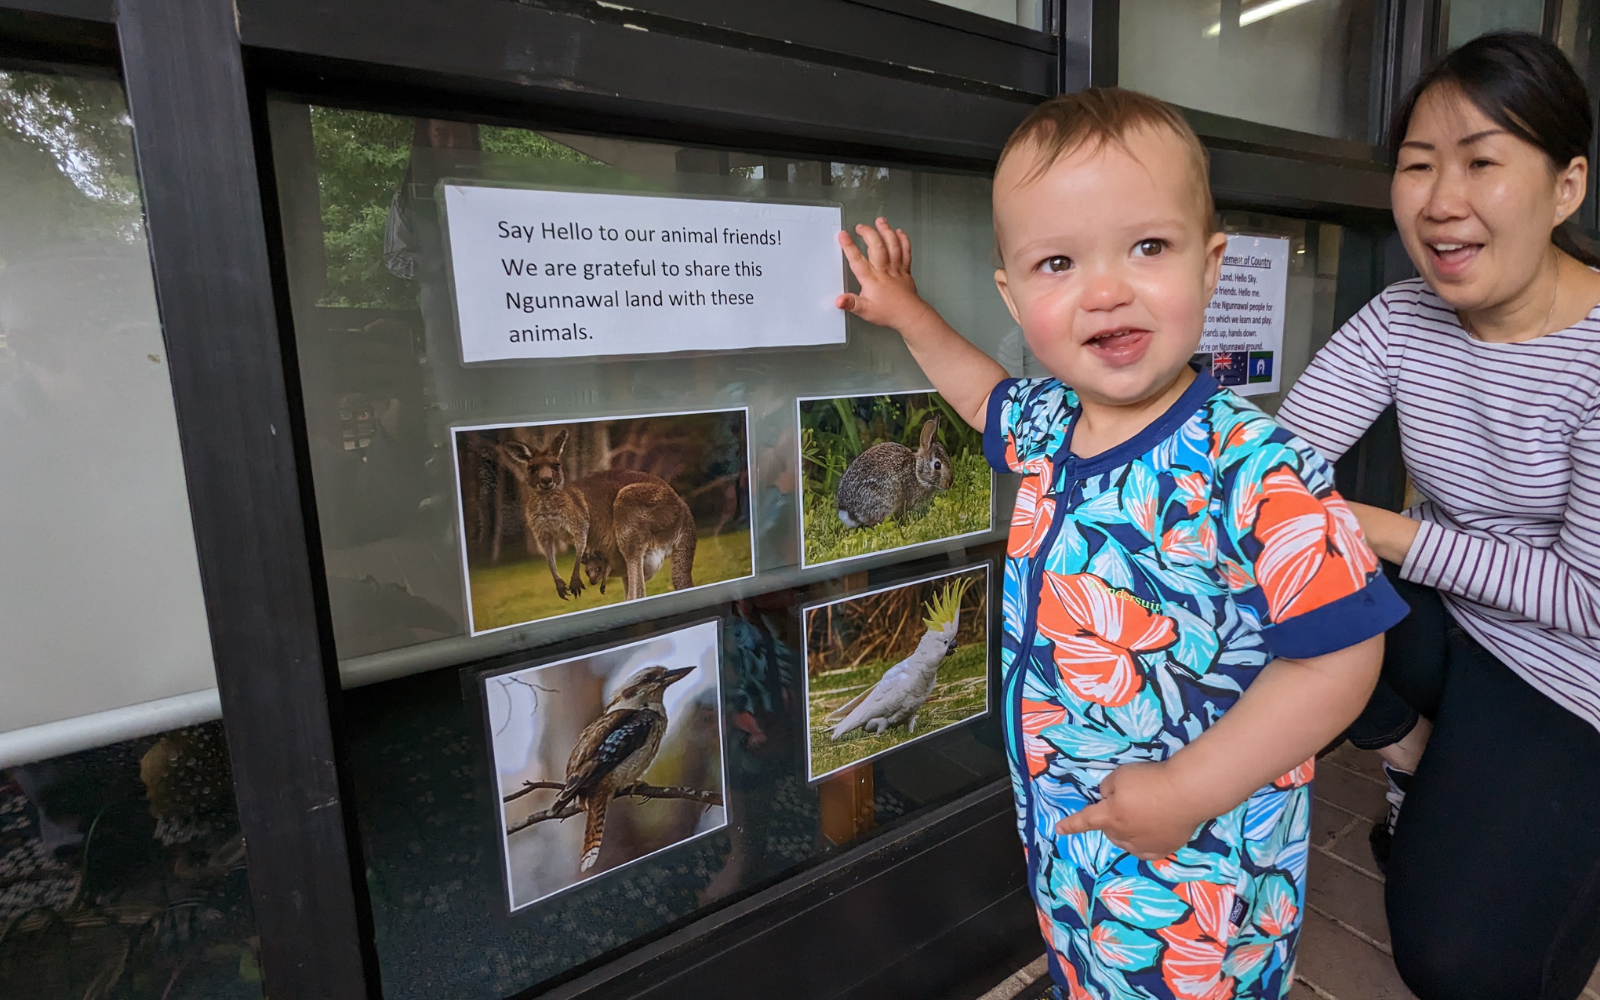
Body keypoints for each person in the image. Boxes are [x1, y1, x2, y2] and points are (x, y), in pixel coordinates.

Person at [836, 88, 1408, 1000]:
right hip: (1078, 837)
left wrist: (1188, 787)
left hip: (1198, 869)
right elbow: (984, 398)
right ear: (1014, 296)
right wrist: (906, 313)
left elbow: (1343, 651)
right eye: (1058, 262)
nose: (1106, 289)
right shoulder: (1051, 420)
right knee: (1090, 965)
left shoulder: (1252, 462)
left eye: (1148, 247)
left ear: (1211, 265)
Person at [1275, 31, 1600, 1000]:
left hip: (1571, 670)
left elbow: (1589, 598)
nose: (1439, 200)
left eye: (1481, 162)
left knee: (1457, 961)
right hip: (1450, 620)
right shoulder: (1401, 316)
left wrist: (1380, 529)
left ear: (1566, 186)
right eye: (1417, 165)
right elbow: (1274, 467)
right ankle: (1414, 754)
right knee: (1262, 555)